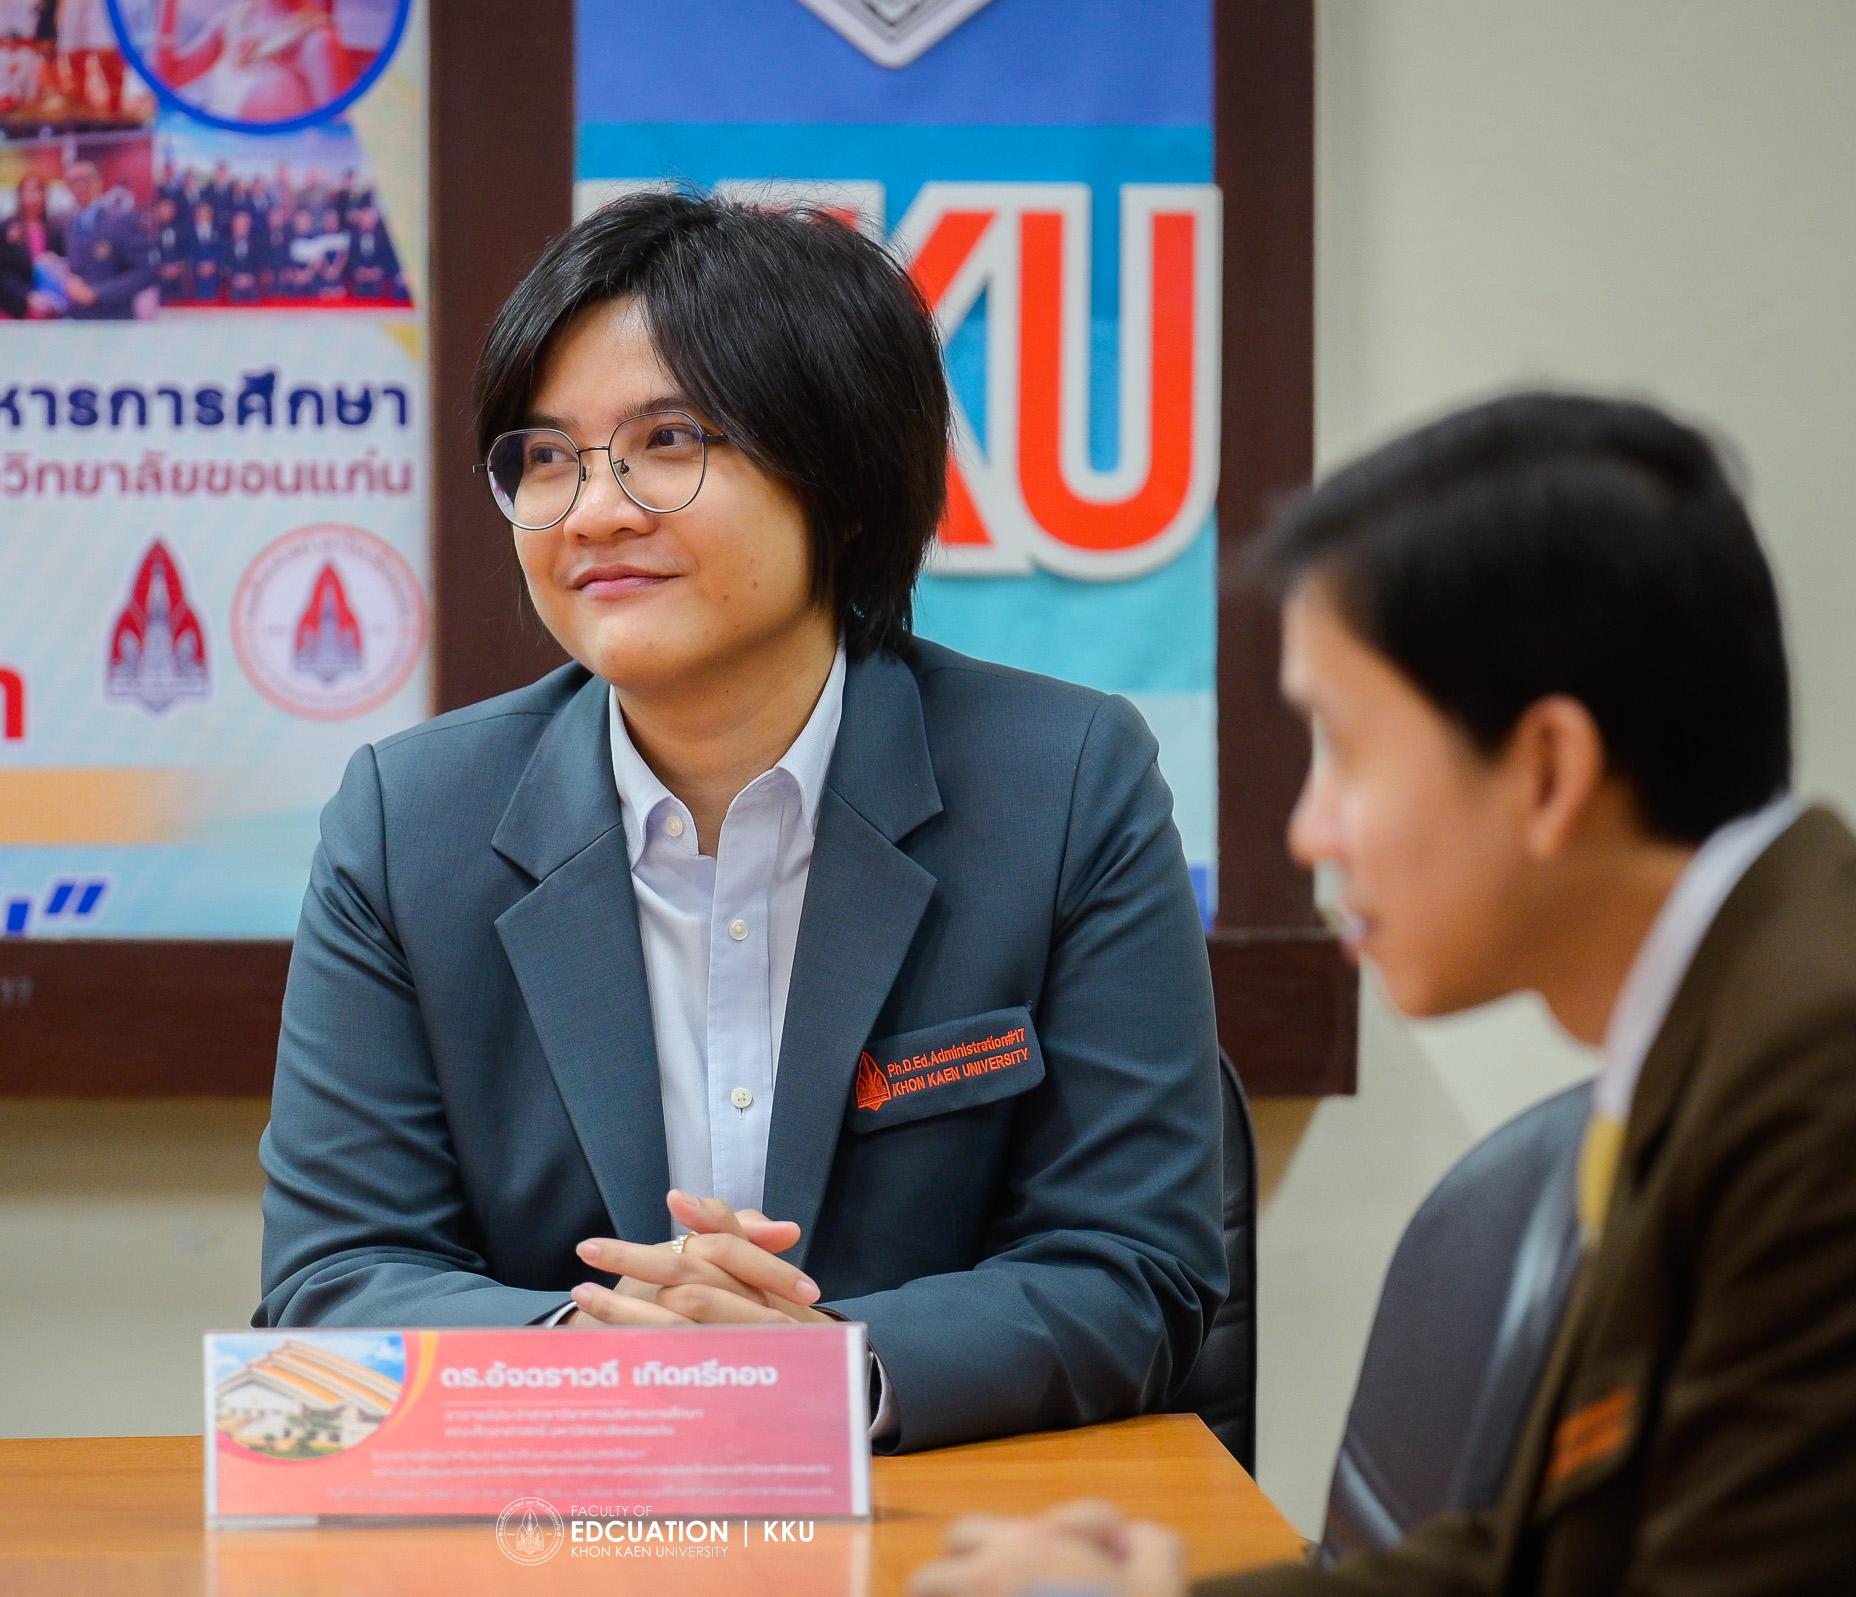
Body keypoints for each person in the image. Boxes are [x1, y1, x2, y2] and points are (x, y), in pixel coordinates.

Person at [256, 191, 1225, 1455]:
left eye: (667, 441)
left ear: (846, 480)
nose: (593, 511)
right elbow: (333, 1279)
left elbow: (1134, 1269)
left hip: (938, 1522)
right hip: (549, 1521)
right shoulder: (408, 821)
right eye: (545, 457)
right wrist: (599, 1356)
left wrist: (824, 1373)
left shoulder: (1064, 783)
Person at [910, 392, 1856, 1595]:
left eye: (1346, 750)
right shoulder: (1732, 1025)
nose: (1311, 830)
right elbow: (1528, 1558)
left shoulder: (1816, 1085)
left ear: (1550, 769)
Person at [154, 0, 347, 124]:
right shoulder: (232, 20)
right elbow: (167, 78)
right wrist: (167, 8)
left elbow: (335, 132)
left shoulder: (317, 42)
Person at [51, 158, 154, 319]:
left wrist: (97, 293)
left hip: (113, 321)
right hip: (78, 320)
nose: (79, 186)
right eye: (72, 182)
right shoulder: (67, 224)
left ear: (98, 182)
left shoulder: (122, 220)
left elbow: (144, 273)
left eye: (84, 179)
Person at [0, 168, 61, 318]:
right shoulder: (4, 227)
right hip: (13, 309)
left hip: (48, 310)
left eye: (38, 190)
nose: (32, 196)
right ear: (19, 195)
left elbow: (61, 268)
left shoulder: (55, 229)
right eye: (27, 191)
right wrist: (27, 296)